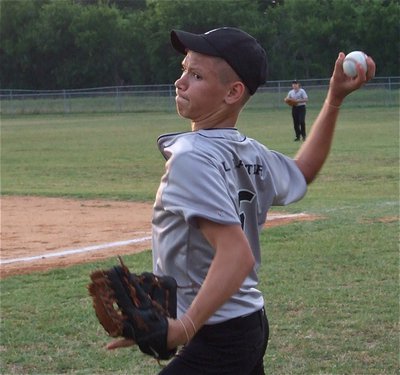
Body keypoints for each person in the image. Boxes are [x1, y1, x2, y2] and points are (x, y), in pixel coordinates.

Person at [107, 27, 375, 374]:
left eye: (197, 75)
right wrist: (334, 99)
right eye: (184, 69)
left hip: (216, 334)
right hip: (247, 322)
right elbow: (302, 170)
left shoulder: (191, 157)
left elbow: (237, 255)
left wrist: (182, 328)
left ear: (233, 92)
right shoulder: (248, 152)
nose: (181, 82)